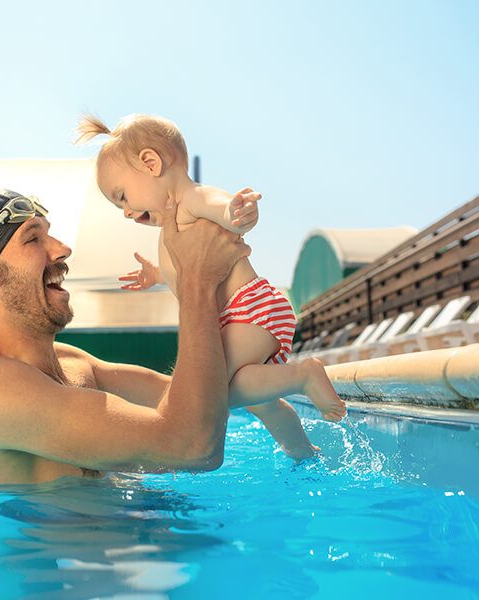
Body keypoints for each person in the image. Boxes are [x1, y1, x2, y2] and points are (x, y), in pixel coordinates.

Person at [0, 188, 253, 486]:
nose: (62, 249)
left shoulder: (70, 362)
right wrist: (198, 280)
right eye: (33, 239)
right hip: (89, 554)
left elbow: (207, 401)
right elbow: (192, 444)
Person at [76, 114, 347, 458]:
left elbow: (221, 208)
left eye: (123, 196)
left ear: (151, 163)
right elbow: (187, 271)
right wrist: (157, 275)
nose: (126, 212)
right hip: (240, 316)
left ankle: (304, 376)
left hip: (249, 308)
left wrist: (238, 210)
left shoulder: (191, 199)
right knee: (263, 404)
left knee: (214, 392)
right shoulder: (173, 228)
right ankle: (303, 451)